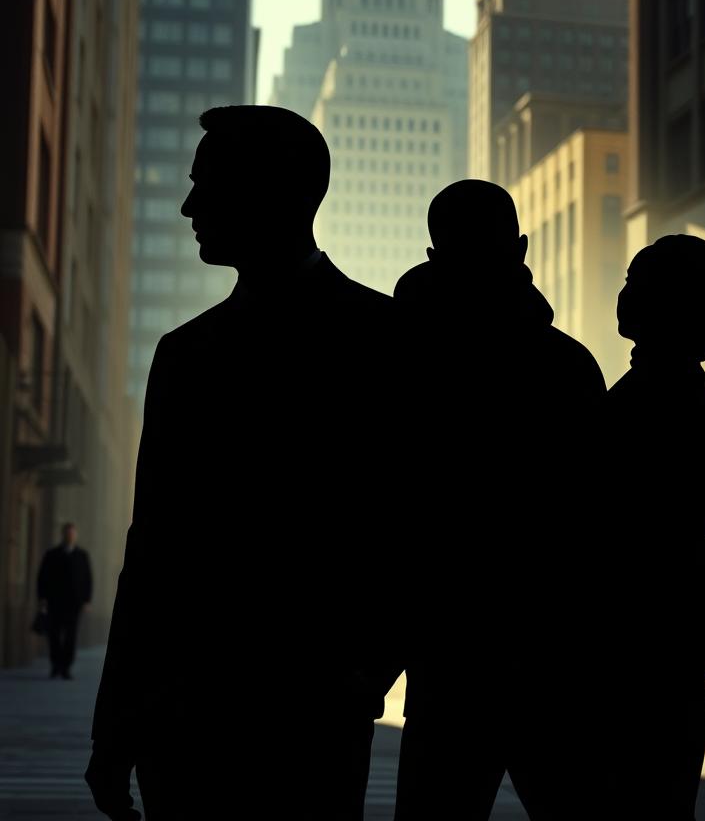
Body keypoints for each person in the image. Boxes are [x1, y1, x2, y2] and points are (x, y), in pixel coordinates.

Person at [86, 105, 403, 821]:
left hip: (310, 718)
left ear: (278, 192)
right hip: (187, 722)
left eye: (210, 184)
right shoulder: (184, 354)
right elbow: (152, 552)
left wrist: (367, 669)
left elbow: (420, 521)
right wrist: (116, 728)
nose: (190, 204)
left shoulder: (385, 340)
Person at [391, 179, 607, 820]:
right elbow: (598, 521)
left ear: (434, 256)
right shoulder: (568, 366)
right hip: (555, 657)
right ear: (521, 249)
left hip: (449, 656)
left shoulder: (408, 363)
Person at [584, 234, 705, 820]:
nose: (623, 295)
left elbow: (643, 526)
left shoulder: (660, 393)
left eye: (638, 284)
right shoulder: (670, 394)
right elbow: (647, 527)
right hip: (650, 655)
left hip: (645, 654)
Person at [37, 522, 92, 679]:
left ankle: (66, 667)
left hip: (74, 604)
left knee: (71, 636)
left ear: (76, 536)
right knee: (53, 635)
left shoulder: (82, 556)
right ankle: (55, 664)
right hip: (55, 602)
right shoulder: (52, 554)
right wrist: (42, 598)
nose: (70, 536)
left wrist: (87, 600)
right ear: (63, 535)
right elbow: (42, 578)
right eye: (67, 533)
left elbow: (88, 579)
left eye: (72, 533)